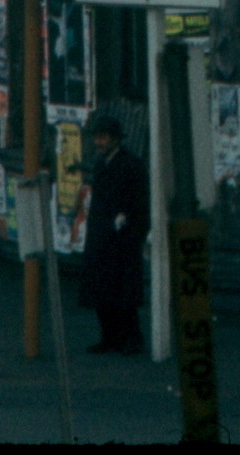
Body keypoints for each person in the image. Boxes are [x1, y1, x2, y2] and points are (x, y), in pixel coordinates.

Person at [76, 111, 149, 355]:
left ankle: (131, 338)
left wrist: (130, 229)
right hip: (102, 236)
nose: (99, 142)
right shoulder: (101, 165)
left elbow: (139, 204)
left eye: (103, 137)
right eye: (97, 137)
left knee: (123, 292)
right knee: (102, 290)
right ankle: (109, 337)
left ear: (116, 139)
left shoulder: (131, 165)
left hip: (122, 238)